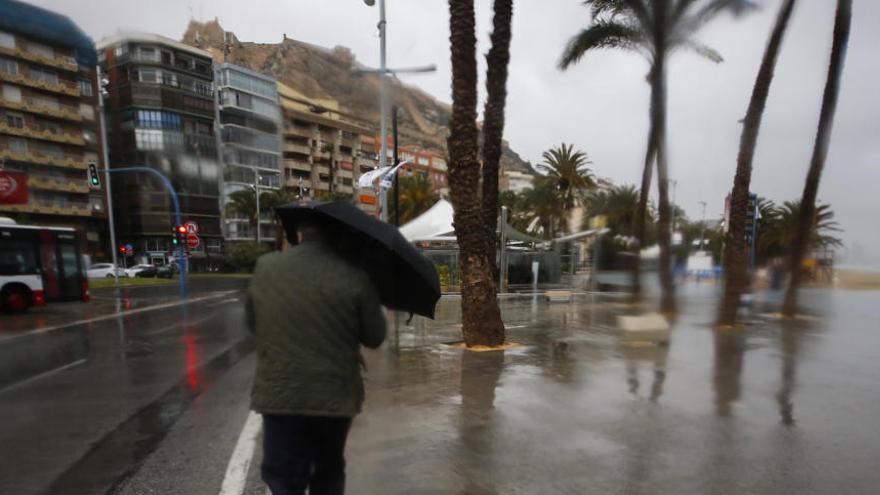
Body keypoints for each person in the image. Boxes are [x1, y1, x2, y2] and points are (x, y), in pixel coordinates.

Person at [245, 220, 386, 495]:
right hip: (334, 397)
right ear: (338, 239)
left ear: (300, 234)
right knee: (328, 471)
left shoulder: (266, 267)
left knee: (284, 477)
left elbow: (254, 324)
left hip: (280, 394)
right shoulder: (355, 274)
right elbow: (375, 336)